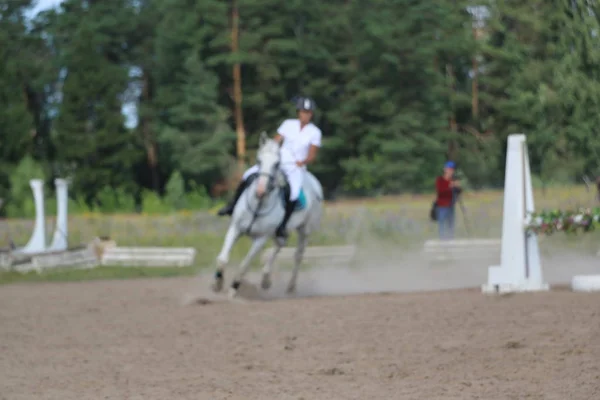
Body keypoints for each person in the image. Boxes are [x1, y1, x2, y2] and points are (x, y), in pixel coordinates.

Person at [217, 96, 322, 243]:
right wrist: (269, 151)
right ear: (298, 112)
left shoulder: (314, 132)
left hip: (295, 167)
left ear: (311, 114)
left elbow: (312, 154)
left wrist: (302, 161)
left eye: (309, 112)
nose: (306, 115)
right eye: (303, 112)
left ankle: (282, 226)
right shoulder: (288, 124)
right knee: (248, 174)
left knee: (293, 193)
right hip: (278, 161)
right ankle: (232, 206)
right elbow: (276, 140)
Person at [435, 161, 461, 240]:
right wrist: (450, 186)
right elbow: (440, 191)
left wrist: (457, 187)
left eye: (452, 169)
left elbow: (458, 193)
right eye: (449, 169)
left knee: (451, 225)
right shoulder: (440, 180)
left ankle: (451, 240)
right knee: (442, 225)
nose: (451, 171)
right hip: (442, 206)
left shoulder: (453, 180)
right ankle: (442, 241)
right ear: (445, 169)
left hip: (451, 206)